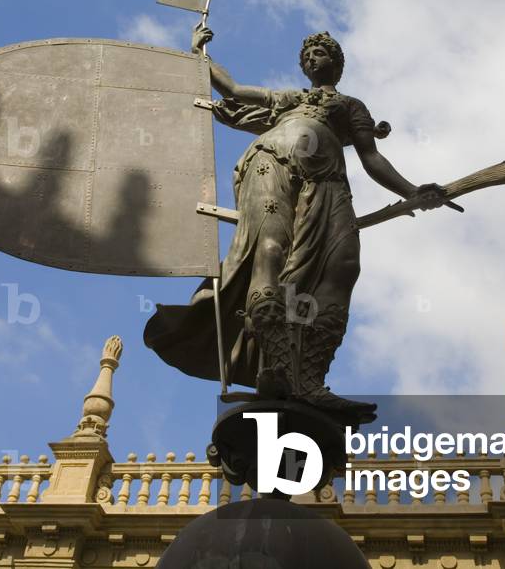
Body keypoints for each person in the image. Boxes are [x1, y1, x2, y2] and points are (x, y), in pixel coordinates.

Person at [144, 24, 446, 423]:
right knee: (269, 251)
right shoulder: (290, 100)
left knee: (344, 266)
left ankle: (310, 378)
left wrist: (411, 191)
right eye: (306, 55)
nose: (311, 59)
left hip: (327, 180)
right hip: (271, 160)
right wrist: (199, 53)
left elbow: (371, 158)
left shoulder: (352, 107)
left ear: (335, 63)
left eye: (319, 53)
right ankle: (276, 364)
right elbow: (233, 91)